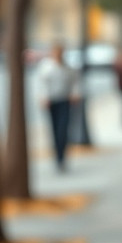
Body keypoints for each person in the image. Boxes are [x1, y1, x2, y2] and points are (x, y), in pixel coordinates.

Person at [36, 42, 78, 173]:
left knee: (63, 129)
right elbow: (41, 84)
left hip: (64, 100)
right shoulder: (46, 67)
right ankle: (57, 156)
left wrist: (74, 94)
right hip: (51, 101)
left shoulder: (68, 68)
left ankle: (62, 157)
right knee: (54, 130)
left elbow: (75, 83)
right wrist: (43, 97)